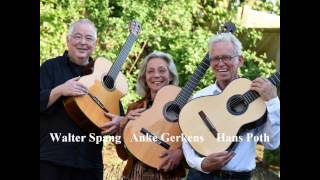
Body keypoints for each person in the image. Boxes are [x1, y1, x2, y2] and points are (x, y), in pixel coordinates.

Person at [182, 32, 280, 180]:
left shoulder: (260, 100)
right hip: (200, 176)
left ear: (240, 60)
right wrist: (201, 164)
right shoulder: (200, 97)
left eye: (227, 57)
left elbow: (271, 143)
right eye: (215, 58)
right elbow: (187, 138)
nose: (220, 63)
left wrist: (273, 101)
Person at [40, 18, 124, 180]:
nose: (83, 42)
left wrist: (119, 121)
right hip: (51, 161)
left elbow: (117, 116)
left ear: (95, 43)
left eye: (89, 38)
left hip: (89, 164)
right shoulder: (51, 67)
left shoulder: (103, 77)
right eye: (78, 36)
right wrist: (60, 90)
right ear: (68, 40)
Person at [113, 51, 186, 179]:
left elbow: (195, 144)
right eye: (150, 71)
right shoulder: (135, 108)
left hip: (169, 176)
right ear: (144, 78)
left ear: (171, 76)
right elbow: (123, 155)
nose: (156, 75)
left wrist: (181, 153)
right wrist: (121, 130)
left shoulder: (185, 109)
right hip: (134, 175)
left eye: (162, 70)